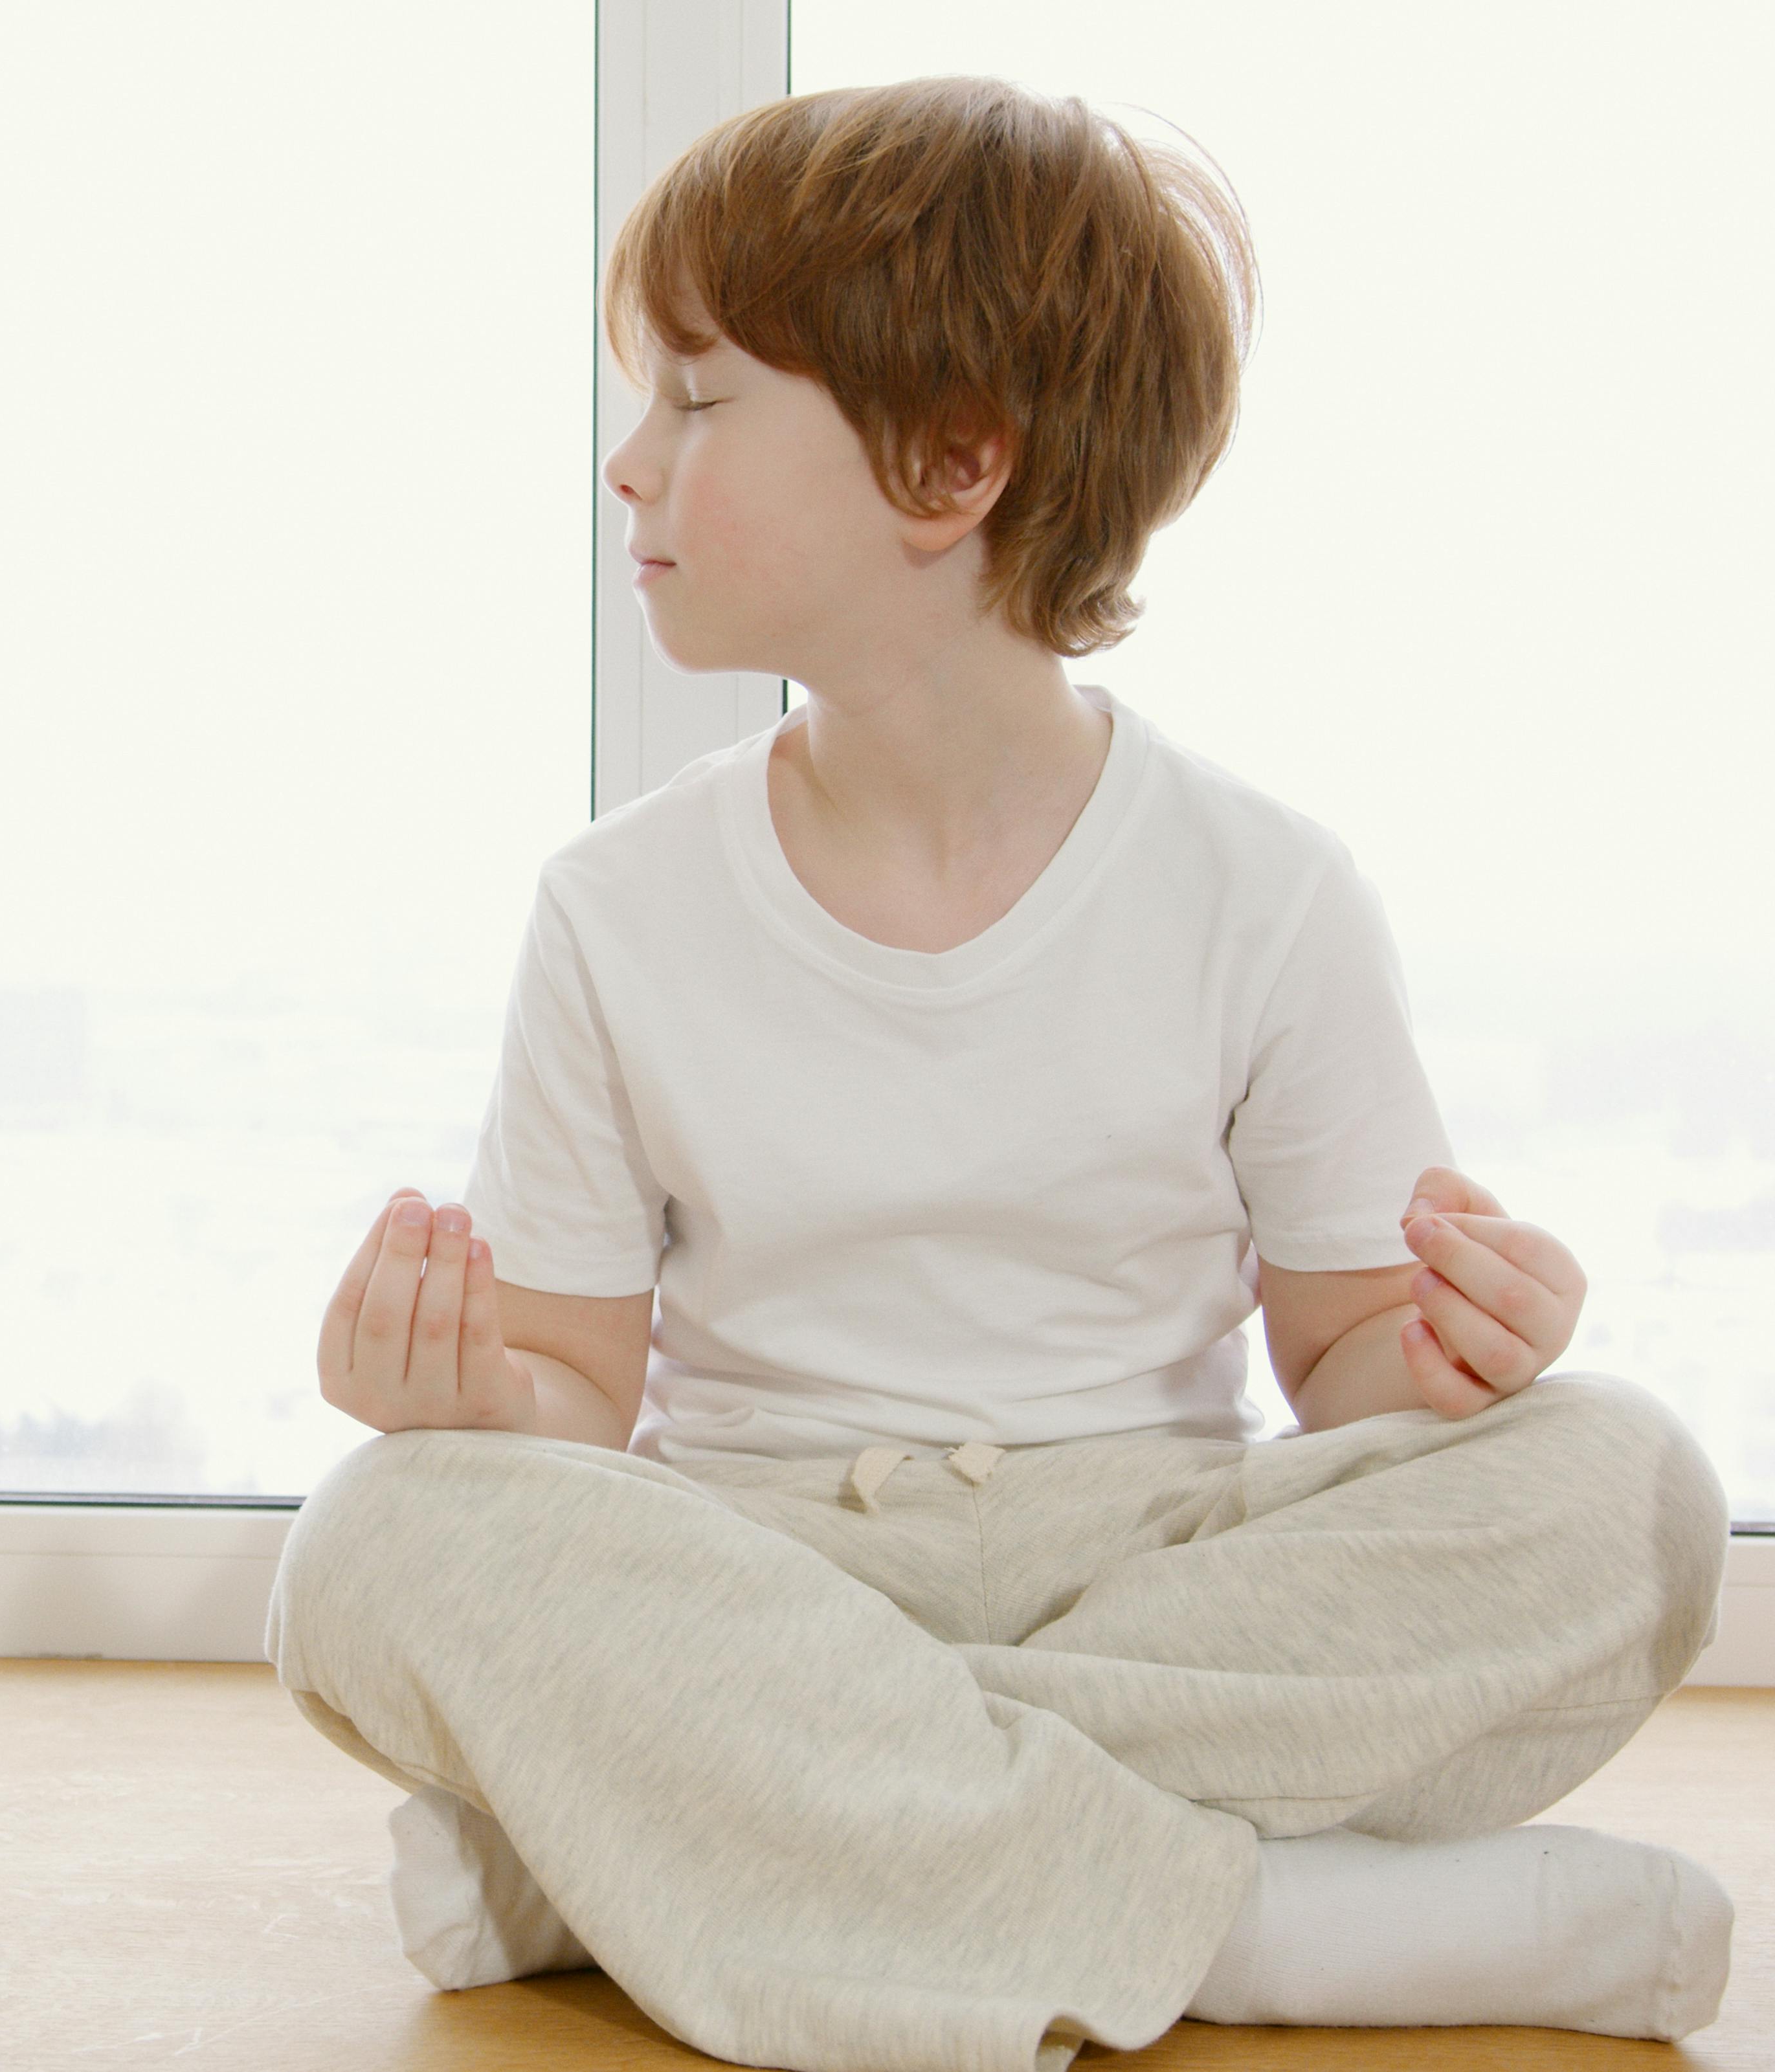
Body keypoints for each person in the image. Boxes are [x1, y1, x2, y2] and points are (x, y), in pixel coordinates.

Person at [265, 74, 1733, 2072]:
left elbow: (1351, 1362)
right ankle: (1253, 1923)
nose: (631, 465)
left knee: (1630, 1487)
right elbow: (573, 1405)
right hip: (763, 1568)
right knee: (376, 1542)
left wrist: (1473, 1345)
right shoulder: (618, 906)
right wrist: (447, 1396)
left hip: (1150, 1572)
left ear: (952, 464)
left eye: (699, 402)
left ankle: (664, 1842)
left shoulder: (1263, 891)